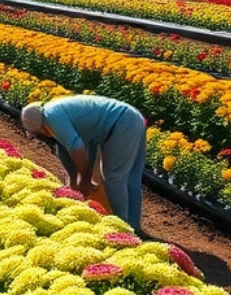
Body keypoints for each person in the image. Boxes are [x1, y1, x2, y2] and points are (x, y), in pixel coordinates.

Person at [20, 95, 147, 232]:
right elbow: (82, 150)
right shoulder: (55, 112)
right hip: (131, 117)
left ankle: (122, 227)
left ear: (39, 127)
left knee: (113, 177)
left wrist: (86, 179)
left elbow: (76, 148)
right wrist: (74, 182)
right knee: (131, 178)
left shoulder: (52, 117)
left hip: (121, 123)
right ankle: (134, 228)